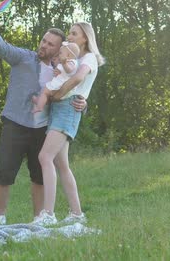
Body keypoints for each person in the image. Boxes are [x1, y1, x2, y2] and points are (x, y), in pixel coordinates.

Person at [0, 20, 87, 225]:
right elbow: (1, 47)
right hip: (15, 123)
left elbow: (76, 94)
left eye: (50, 44)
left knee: (39, 177)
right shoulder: (23, 57)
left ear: (60, 49)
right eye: (43, 41)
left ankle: (38, 219)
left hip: (43, 129)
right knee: (4, 173)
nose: (44, 45)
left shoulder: (65, 70)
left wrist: (83, 104)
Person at [32, 22, 105, 226]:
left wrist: (59, 94)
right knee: (61, 164)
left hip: (67, 109)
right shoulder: (74, 58)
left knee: (44, 156)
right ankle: (76, 213)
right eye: (70, 33)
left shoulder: (89, 57)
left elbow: (79, 79)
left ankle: (48, 214)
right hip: (60, 109)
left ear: (85, 38)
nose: (70, 36)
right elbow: (70, 76)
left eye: (74, 33)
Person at [31, 42, 80, 114]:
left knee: (45, 91)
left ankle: (39, 106)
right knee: (47, 94)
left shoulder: (71, 62)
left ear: (68, 55)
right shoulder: (68, 62)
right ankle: (41, 102)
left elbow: (69, 71)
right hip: (60, 84)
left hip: (60, 84)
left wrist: (64, 63)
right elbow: (65, 72)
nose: (59, 55)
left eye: (61, 53)